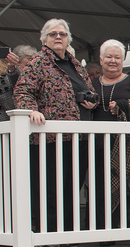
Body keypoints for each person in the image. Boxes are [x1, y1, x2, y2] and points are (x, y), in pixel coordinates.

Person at [13, 19, 95, 232]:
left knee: (70, 188)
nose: (58, 37)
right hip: (48, 137)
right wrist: (31, 109)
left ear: (69, 39)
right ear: (44, 39)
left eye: (62, 34)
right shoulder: (37, 63)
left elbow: (88, 89)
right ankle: (46, 233)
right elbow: (23, 91)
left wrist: (90, 99)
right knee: (49, 187)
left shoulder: (76, 64)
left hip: (77, 136)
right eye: (53, 34)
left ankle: (64, 233)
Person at [90, 39, 130, 228]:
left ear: (123, 61)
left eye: (117, 57)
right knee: (100, 189)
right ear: (101, 60)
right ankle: (103, 230)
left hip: (127, 147)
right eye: (108, 57)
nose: (113, 61)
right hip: (99, 147)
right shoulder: (91, 83)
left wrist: (123, 105)